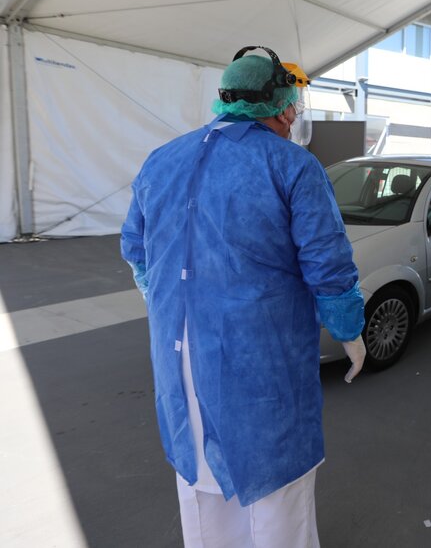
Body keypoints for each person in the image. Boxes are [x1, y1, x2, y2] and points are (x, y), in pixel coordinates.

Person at [120, 46, 366, 547]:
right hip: (258, 362)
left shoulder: (161, 160)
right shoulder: (293, 166)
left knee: (202, 491)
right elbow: (329, 264)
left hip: (180, 358)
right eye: (293, 105)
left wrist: (175, 307)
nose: (295, 115)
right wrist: (349, 331)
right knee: (276, 497)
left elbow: (136, 253)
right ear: (282, 107)